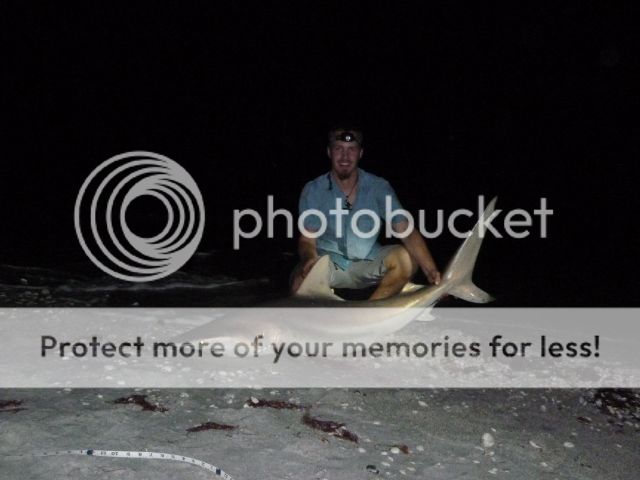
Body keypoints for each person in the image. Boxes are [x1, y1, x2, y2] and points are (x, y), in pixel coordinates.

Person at [290, 126, 441, 299]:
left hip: (368, 262)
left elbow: (405, 230)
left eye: (351, 149)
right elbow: (307, 240)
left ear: (360, 153)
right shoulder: (314, 190)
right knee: (299, 282)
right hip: (329, 264)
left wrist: (431, 271)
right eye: (338, 149)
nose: (345, 157)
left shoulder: (378, 187)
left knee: (406, 260)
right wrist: (309, 259)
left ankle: (371, 310)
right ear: (329, 152)